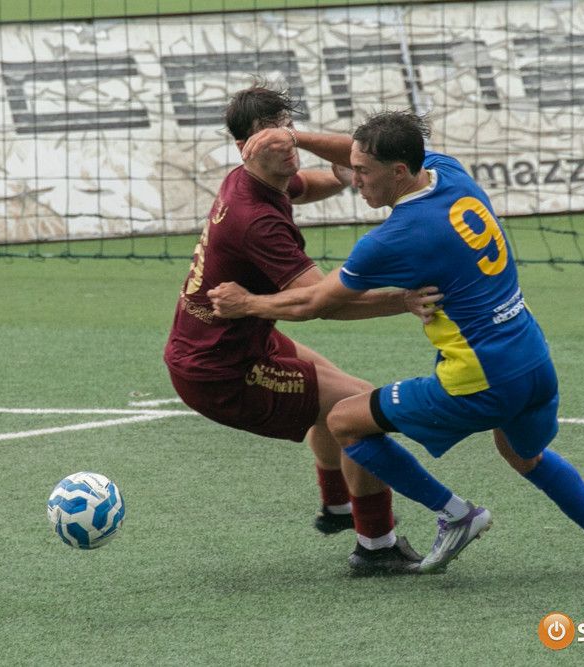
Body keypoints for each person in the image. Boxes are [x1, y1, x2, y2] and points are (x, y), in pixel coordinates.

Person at [208, 111, 584, 574]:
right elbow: (362, 149)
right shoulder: (448, 172)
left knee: (345, 421)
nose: (352, 180)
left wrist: (249, 304)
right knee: (525, 456)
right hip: (532, 359)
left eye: (362, 172)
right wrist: (293, 136)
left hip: (479, 377)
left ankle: (456, 514)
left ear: (399, 171)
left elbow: (316, 302)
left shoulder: (395, 237)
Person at [164, 88, 439, 575]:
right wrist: (403, 300)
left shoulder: (255, 179)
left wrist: (344, 173)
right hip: (221, 370)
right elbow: (324, 303)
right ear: (245, 149)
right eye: (270, 137)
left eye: (287, 128)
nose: (285, 143)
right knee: (356, 408)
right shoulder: (256, 222)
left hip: (233, 340)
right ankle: (376, 547)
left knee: (334, 390)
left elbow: (308, 184)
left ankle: (337, 504)